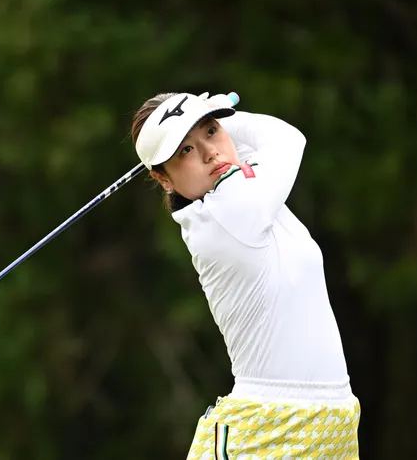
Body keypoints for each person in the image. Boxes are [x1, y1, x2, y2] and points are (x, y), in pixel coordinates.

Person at [130, 91, 360, 459]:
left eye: (211, 132)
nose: (210, 153)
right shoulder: (227, 212)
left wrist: (209, 119)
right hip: (268, 428)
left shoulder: (240, 189)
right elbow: (288, 139)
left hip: (331, 418)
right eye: (185, 150)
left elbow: (250, 150)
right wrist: (226, 118)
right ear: (163, 179)